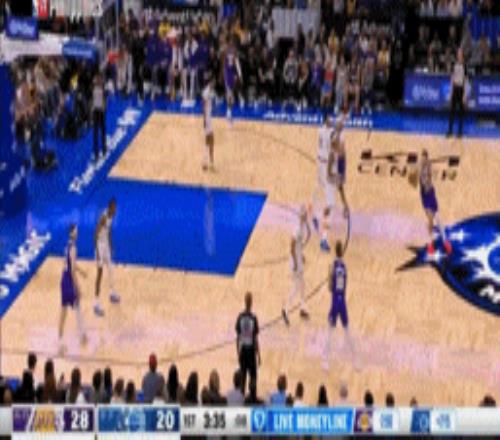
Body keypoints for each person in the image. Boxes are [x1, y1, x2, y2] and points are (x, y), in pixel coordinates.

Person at [323, 241, 357, 370]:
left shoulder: (333, 266)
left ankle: (325, 360)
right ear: (342, 251)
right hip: (342, 302)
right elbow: (343, 285)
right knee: (347, 330)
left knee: (330, 333)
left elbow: (329, 287)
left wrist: (330, 279)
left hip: (335, 302)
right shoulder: (344, 266)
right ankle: (355, 358)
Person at [413, 150, 452, 255]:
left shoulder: (428, 166)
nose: (422, 159)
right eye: (421, 158)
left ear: (426, 158)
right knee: (430, 221)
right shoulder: (420, 167)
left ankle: (445, 242)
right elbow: (416, 179)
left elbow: (428, 175)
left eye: (423, 157)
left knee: (438, 218)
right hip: (425, 196)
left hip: (430, 193)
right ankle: (431, 244)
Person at [59, 224, 87, 352]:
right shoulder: (73, 248)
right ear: (71, 233)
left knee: (64, 311)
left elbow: (71, 265)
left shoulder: (67, 246)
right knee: (77, 306)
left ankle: (60, 338)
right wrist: (78, 287)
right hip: (69, 280)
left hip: (63, 279)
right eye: (76, 231)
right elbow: (72, 270)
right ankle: (82, 335)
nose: (77, 232)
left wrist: (82, 272)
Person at [282, 206, 310, 325]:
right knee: (296, 287)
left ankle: (303, 308)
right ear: (302, 216)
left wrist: (301, 255)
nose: (306, 216)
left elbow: (297, 246)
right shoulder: (298, 229)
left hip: (298, 261)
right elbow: (292, 245)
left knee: (302, 285)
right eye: (305, 215)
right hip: (295, 263)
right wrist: (295, 261)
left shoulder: (302, 228)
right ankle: (286, 309)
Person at [324, 117, 349, 251]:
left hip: (336, 173)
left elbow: (343, 155)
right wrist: (337, 177)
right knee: (330, 207)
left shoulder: (339, 147)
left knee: (341, 189)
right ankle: (324, 238)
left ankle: (345, 207)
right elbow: (328, 175)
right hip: (330, 181)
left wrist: (341, 175)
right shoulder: (331, 154)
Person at [311, 115, 334, 252]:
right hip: (325, 165)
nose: (332, 121)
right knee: (330, 203)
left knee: (317, 185)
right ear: (326, 121)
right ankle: (324, 239)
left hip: (320, 161)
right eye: (330, 120)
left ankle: (313, 214)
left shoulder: (320, 130)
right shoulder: (331, 133)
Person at [94, 198, 120, 316]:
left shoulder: (111, 217)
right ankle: (96, 303)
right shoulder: (103, 217)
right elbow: (96, 234)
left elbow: (109, 232)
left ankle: (112, 293)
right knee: (99, 275)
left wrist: (111, 245)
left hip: (106, 246)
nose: (116, 210)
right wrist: (97, 252)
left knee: (110, 269)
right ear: (110, 207)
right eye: (114, 208)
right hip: (99, 246)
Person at [235, 292, 261, 396]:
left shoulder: (240, 317)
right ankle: (253, 396)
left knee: (243, 377)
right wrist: (259, 355)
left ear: (245, 302)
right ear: (251, 303)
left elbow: (238, 337)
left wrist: (238, 352)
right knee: (253, 376)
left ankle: (241, 396)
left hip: (243, 351)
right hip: (251, 351)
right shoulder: (253, 318)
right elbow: (255, 339)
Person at [447, 49, 466, 138]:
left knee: (461, 113)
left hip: (461, 89)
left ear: (462, 55)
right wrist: (451, 91)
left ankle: (460, 132)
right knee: (452, 111)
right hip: (455, 89)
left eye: (460, 53)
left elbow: (465, 80)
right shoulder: (454, 65)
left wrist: (464, 94)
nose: (459, 55)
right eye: (458, 53)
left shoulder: (465, 66)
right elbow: (452, 78)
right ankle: (450, 131)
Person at [92, 72, 106, 162]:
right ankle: (97, 153)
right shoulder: (94, 89)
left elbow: (104, 101)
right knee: (96, 133)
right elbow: (92, 101)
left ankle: (104, 149)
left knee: (102, 131)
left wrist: (103, 109)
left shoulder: (102, 90)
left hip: (100, 112)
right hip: (96, 112)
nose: (99, 81)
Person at [202, 77, 215, 171]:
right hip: (207, 119)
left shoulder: (211, 91)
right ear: (209, 82)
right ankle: (208, 162)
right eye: (212, 82)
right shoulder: (206, 92)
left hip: (209, 118)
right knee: (210, 140)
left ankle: (206, 162)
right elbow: (203, 107)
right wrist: (204, 120)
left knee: (209, 141)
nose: (214, 84)